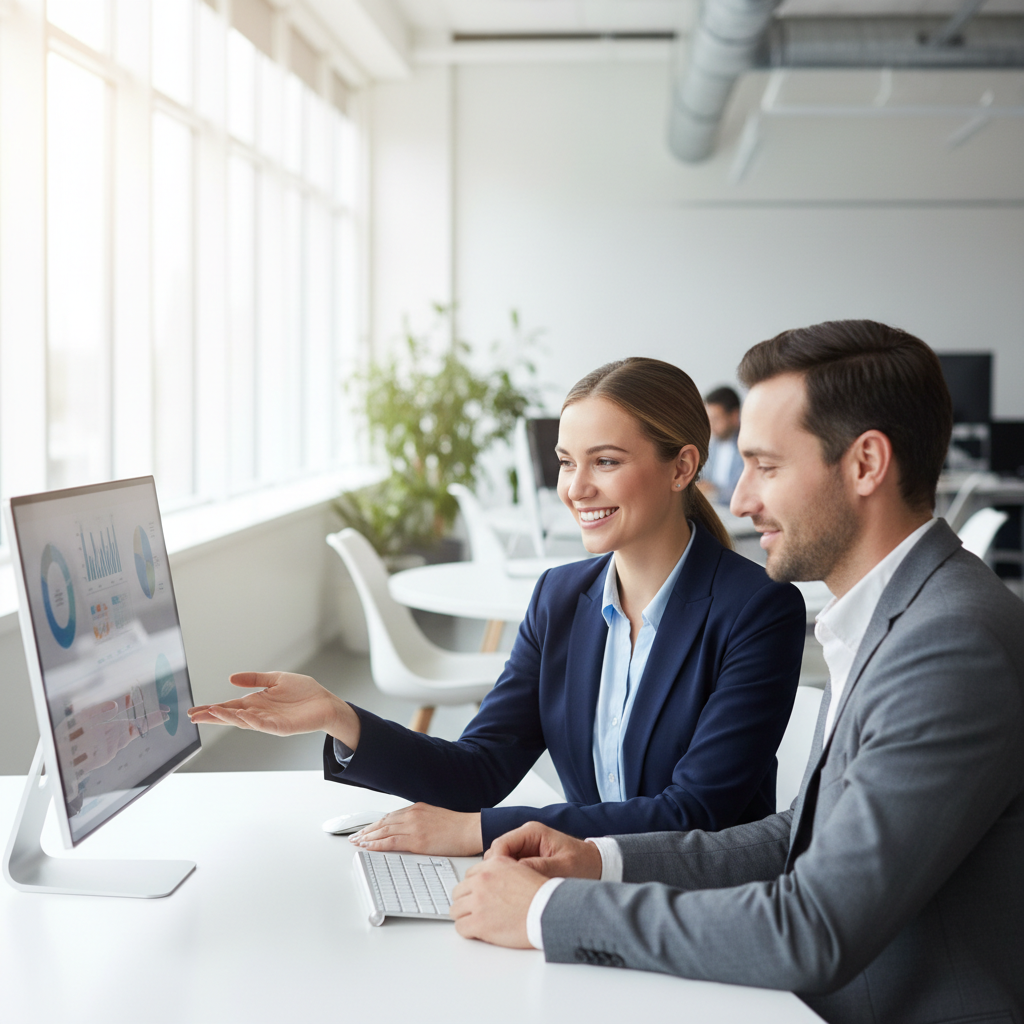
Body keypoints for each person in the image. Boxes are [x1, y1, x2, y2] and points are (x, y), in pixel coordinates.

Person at [448, 321, 1024, 1024]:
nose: (741, 499)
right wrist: (597, 860)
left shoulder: (949, 644)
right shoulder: (892, 617)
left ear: (866, 464)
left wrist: (549, 911)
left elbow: (813, 929)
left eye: (766, 466)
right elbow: (797, 839)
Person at [188, 358, 805, 857]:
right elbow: (478, 769)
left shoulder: (759, 611)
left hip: (697, 902)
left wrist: (479, 832)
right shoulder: (561, 599)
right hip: (581, 884)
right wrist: (337, 716)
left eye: (606, 461)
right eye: (566, 462)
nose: (577, 487)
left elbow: (693, 813)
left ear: (682, 468)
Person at [697, 385, 743, 505]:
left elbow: (744, 493)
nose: (711, 425)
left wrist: (714, 491)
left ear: (734, 416)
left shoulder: (748, 448)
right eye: (709, 419)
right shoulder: (711, 447)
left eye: (716, 419)